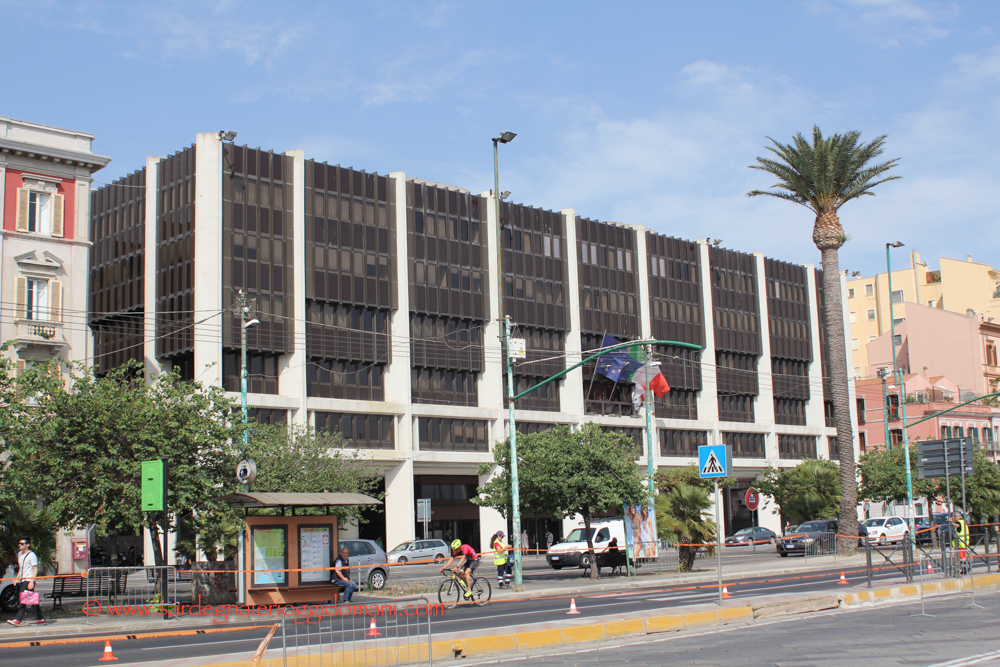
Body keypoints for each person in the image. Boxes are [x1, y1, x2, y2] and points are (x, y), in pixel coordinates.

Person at [8, 537, 44, 626]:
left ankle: (17, 619)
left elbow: (35, 569)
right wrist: (17, 578)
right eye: (19, 543)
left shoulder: (31, 555)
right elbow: (21, 568)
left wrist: (32, 581)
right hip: (23, 579)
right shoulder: (20, 554)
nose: (20, 545)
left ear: (27, 545)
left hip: (28, 580)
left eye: (22, 544)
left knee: (22, 599)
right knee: (32, 600)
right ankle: (41, 618)